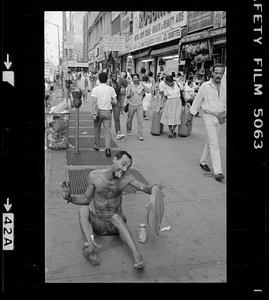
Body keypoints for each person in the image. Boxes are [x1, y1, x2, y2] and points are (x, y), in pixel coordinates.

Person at [61, 150, 164, 269]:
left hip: (115, 226)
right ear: (114, 159)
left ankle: (137, 255)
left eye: (128, 167)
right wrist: (69, 197)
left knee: (115, 217)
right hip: (99, 224)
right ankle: (91, 248)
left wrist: (154, 188)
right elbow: (86, 199)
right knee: (83, 210)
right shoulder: (94, 176)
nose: (125, 169)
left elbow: (145, 188)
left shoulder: (127, 178)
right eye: (123, 164)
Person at [186, 63, 226, 182]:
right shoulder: (205, 86)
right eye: (216, 72)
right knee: (214, 143)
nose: (218, 75)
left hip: (221, 117)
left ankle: (202, 161)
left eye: (221, 73)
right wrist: (190, 116)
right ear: (212, 73)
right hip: (208, 116)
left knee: (210, 141)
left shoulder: (224, 85)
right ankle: (218, 172)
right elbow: (197, 101)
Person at [91, 72, 117, 158]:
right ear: (107, 79)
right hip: (108, 112)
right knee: (108, 131)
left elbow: (94, 103)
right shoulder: (111, 89)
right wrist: (110, 100)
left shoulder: (95, 89)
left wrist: (93, 113)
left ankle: (96, 145)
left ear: (99, 79)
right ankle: (108, 149)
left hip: (98, 111)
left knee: (97, 130)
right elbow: (115, 102)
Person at [125, 73, 150, 141]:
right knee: (129, 119)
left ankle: (140, 134)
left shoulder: (141, 86)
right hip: (131, 105)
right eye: (134, 78)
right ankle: (129, 130)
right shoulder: (130, 86)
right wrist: (131, 94)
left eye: (136, 78)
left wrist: (143, 84)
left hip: (139, 105)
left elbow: (148, 91)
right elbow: (127, 96)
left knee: (140, 120)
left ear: (138, 78)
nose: (135, 80)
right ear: (132, 79)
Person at [107, 73, 125, 140]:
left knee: (117, 118)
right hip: (109, 102)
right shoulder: (108, 83)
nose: (115, 77)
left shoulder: (118, 83)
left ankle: (118, 132)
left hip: (116, 102)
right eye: (113, 76)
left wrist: (120, 104)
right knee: (108, 118)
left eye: (116, 76)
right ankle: (108, 132)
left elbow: (119, 94)